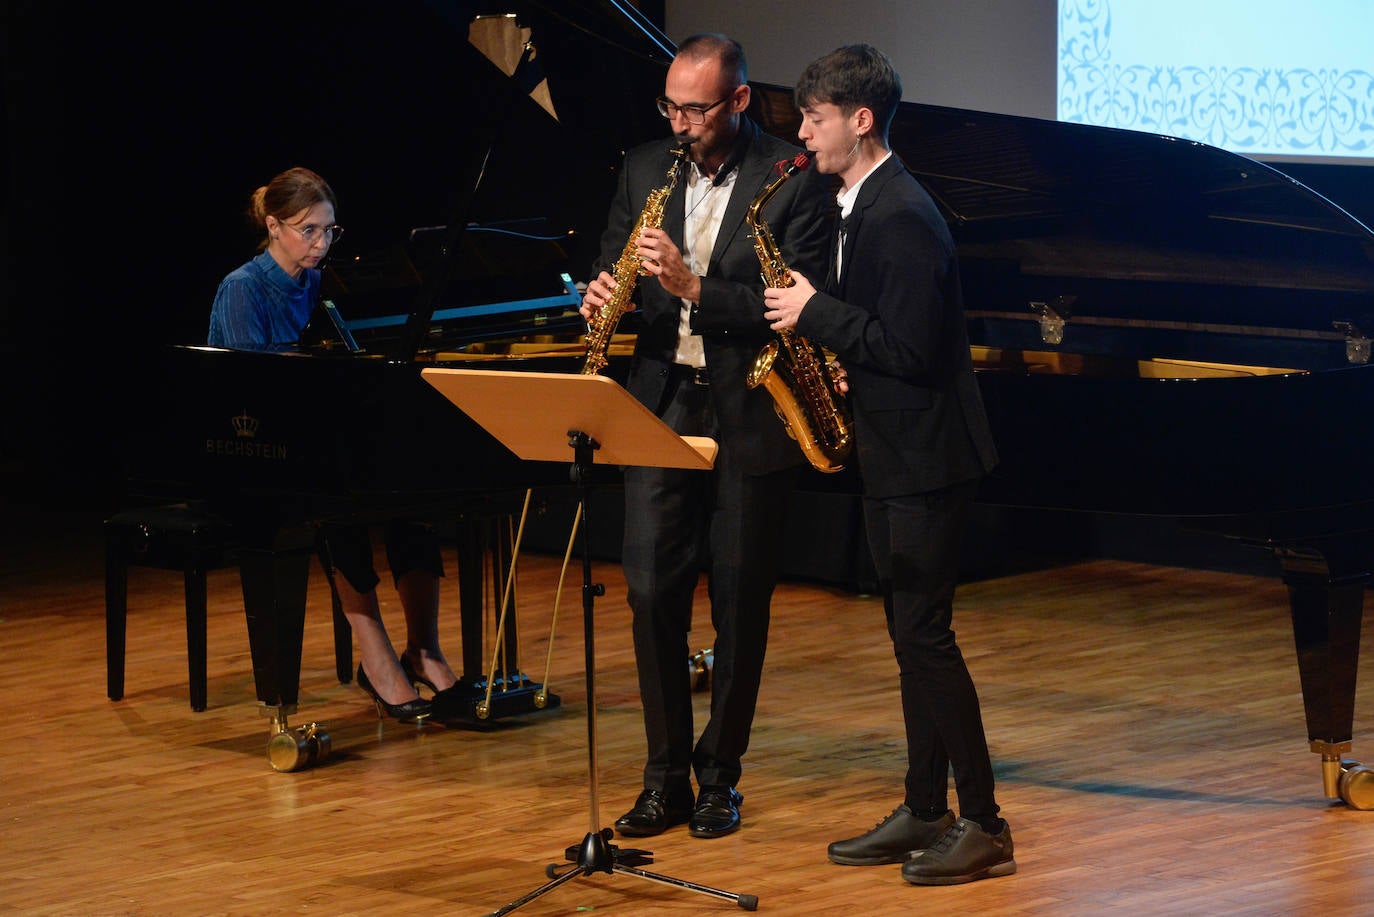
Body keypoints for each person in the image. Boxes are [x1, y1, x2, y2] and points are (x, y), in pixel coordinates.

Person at [763, 45, 1014, 884]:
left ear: (860, 120)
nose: (803, 134)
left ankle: (983, 820)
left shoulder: (901, 212)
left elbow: (906, 346)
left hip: (928, 458)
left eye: (815, 118)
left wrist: (815, 313)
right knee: (910, 636)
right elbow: (886, 337)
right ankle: (925, 806)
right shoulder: (856, 204)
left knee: (926, 637)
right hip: (894, 448)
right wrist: (841, 355)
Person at [580, 34, 831, 839]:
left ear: (740, 100)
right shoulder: (644, 166)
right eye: (671, 107)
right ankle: (665, 778)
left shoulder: (795, 177)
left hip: (751, 407)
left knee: (738, 598)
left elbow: (789, 304)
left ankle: (720, 776)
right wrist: (602, 292)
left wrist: (695, 286)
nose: (680, 123)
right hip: (664, 399)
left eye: (695, 109)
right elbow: (615, 258)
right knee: (651, 590)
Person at [208, 166, 459, 724]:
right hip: (253, 456)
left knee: (411, 499)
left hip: (316, 444)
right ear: (273, 226)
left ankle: (423, 649)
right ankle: (376, 659)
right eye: (308, 231)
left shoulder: (322, 282)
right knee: (337, 508)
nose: (321, 244)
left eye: (329, 231)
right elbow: (248, 399)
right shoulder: (243, 288)